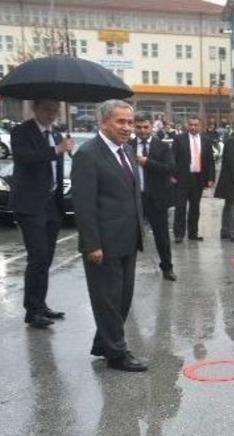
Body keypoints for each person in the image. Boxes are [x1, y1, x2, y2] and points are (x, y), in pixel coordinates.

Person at [71, 99, 147, 372]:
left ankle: (104, 344)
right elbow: (84, 204)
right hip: (103, 244)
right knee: (107, 301)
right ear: (103, 122)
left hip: (127, 238)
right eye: (121, 122)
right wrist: (92, 244)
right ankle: (117, 354)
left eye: (130, 122)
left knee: (122, 299)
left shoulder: (126, 151)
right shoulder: (88, 154)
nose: (128, 127)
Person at [8, 99, 74, 329]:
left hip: (51, 205)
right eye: (47, 109)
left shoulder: (56, 133)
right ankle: (32, 311)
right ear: (35, 109)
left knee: (46, 258)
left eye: (55, 109)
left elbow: (55, 167)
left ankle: (41, 303)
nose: (52, 113)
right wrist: (56, 149)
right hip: (30, 204)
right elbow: (25, 157)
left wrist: (66, 149)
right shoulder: (21, 132)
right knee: (37, 257)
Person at [130, 113, 176, 281]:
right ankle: (128, 270)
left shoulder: (162, 147)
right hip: (134, 199)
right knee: (130, 236)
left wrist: (146, 162)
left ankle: (167, 268)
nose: (142, 130)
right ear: (135, 127)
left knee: (161, 236)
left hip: (156, 199)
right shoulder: (128, 145)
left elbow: (169, 168)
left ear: (151, 127)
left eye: (146, 127)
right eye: (139, 127)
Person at [172, 115, 215, 243]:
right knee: (180, 207)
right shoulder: (179, 139)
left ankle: (193, 233)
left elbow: (210, 161)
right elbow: (172, 158)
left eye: (196, 125)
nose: (193, 127)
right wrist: (172, 176)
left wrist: (211, 178)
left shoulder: (206, 140)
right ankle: (179, 234)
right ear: (187, 125)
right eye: (191, 125)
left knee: (195, 208)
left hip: (198, 179)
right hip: (182, 179)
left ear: (200, 126)